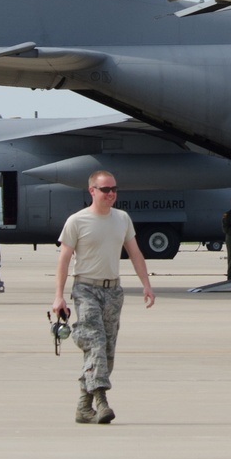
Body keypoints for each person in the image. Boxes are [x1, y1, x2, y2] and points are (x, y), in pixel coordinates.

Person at [52, 169, 155, 425]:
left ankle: (83, 407)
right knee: (95, 342)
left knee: (106, 351)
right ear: (92, 191)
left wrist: (146, 284)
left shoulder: (122, 219)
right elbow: (64, 259)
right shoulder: (77, 221)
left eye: (114, 189)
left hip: (113, 291)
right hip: (86, 289)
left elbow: (135, 252)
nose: (111, 194)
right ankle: (101, 400)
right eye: (105, 189)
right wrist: (58, 297)